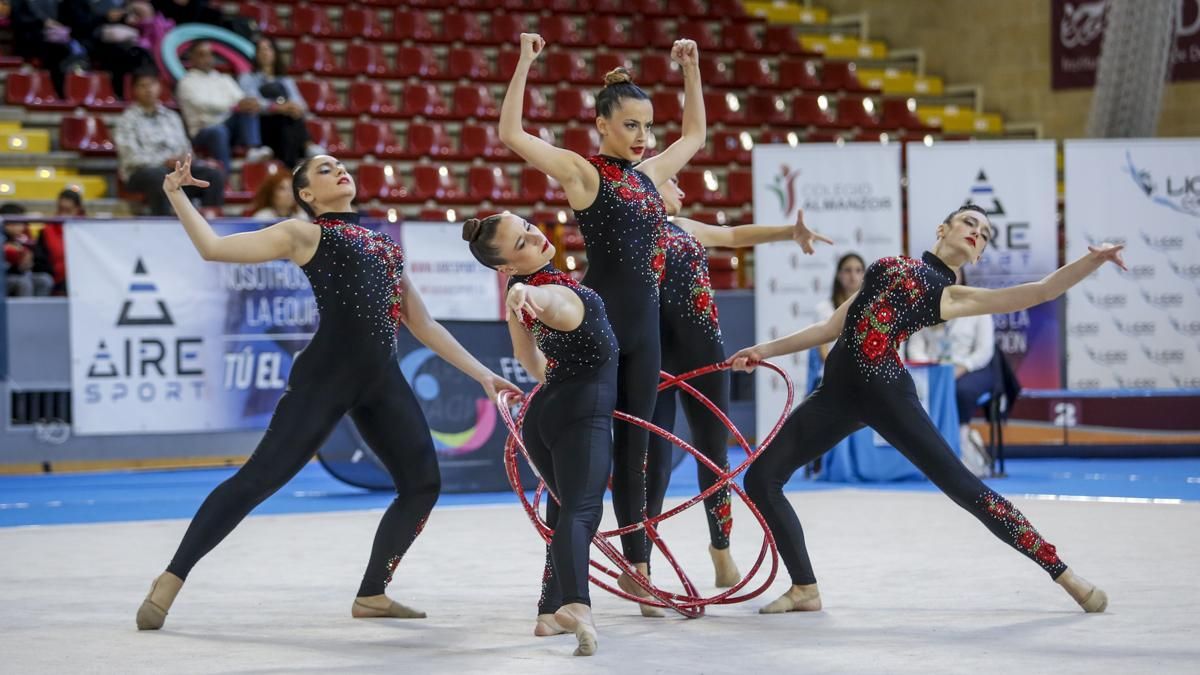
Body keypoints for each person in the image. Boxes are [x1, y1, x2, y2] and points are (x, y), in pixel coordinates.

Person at [135, 154, 521, 631]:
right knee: (258, 480)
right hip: (325, 377)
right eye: (323, 170)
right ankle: (170, 578)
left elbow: (421, 323)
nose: (338, 169)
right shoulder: (305, 234)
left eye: (339, 164)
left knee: (422, 485)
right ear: (307, 197)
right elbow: (213, 248)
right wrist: (176, 194)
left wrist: (483, 373)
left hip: (381, 380)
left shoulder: (384, 245)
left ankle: (373, 594)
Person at [730, 204, 1114, 615]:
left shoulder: (951, 295)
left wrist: (1091, 261)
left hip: (887, 394)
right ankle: (805, 588)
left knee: (966, 489)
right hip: (836, 394)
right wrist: (762, 350)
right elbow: (830, 328)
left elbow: (1041, 291)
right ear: (942, 228)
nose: (976, 233)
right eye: (969, 222)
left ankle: (1064, 573)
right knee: (761, 479)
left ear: (979, 255)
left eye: (984, 234)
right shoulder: (886, 266)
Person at [498, 33, 705, 617]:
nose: (644, 138)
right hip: (601, 332)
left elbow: (696, 136)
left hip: (647, 334)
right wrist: (524, 63)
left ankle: (640, 572)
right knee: (588, 463)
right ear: (603, 126)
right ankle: (557, 595)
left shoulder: (647, 175)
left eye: (648, 127)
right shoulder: (586, 176)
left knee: (638, 450)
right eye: (632, 126)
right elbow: (511, 134)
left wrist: (691, 69)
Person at [648, 178, 831, 588]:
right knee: (653, 462)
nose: (680, 186)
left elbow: (733, 235)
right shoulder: (625, 230)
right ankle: (644, 561)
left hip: (704, 352)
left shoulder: (685, 226)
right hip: (652, 357)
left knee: (713, 454)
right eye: (671, 180)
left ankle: (721, 549)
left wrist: (789, 232)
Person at [464, 211, 617, 657]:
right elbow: (554, 302)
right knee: (583, 511)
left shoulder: (527, 294)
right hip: (582, 413)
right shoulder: (545, 291)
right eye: (522, 243)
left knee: (564, 510)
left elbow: (524, 355)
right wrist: (529, 292)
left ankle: (549, 612)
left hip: (548, 411)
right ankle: (577, 605)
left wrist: (523, 294)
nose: (535, 236)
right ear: (508, 268)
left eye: (528, 227)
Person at [906, 267, 996, 477]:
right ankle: (924, 457)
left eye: (955, 272)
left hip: (971, 368)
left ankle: (962, 450)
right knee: (914, 391)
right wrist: (930, 367)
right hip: (934, 371)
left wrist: (961, 368)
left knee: (960, 392)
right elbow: (915, 346)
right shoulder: (924, 306)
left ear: (963, 276)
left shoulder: (978, 304)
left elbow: (984, 351)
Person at [115, 68, 225, 216]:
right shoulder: (126, 120)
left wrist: (183, 160)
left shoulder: (172, 117)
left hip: (176, 171)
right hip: (141, 174)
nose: (149, 90)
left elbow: (187, 149)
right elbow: (131, 158)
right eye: (143, 86)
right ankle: (164, 227)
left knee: (213, 175)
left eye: (152, 85)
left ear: (159, 87)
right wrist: (164, 161)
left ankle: (210, 227)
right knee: (160, 177)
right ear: (134, 90)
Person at [177, 41, 273, 172]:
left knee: (248, 108)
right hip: (203, 131)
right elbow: (203, 105)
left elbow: (240, 98)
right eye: (202, 55)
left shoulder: (224, 78)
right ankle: (224, 176)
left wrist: (246, 103)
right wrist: (234, 105)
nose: (207, 59)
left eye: (210, 55)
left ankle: (252, 149)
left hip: (227, 124)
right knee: (219, 131)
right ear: (192, 58)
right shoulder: (186, 82)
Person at [238, 37, 313, 168]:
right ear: (255, 54)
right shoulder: (247, 77)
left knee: (290, 120)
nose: (265, 52)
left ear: (275, 53)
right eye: (261, 50)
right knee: (287, 120)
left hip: (284, 126)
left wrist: (292, 107)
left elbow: (302, 105)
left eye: (268, 49)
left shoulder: (286, 80)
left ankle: (291, 166)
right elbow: (253, 103)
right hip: (263, 125)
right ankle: (307, 145)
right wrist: (278, 107)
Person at [815, 253, 865, 365]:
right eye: (848, 270)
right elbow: (823, 351)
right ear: (838, 275)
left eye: (858, 270)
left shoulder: (871, 309)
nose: (853, 276)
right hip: (831, 375)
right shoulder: (824, 309)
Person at [2, 203, 54, 297]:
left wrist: (30, 262)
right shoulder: (2, 240)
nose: (21, 227)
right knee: (23, 283)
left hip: (21, 275)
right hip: (5, 278)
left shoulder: (25, 240)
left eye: (22, 223)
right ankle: (23, 312)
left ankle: (38, 311)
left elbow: (39, 263)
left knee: (44, 280)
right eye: (15, 223)